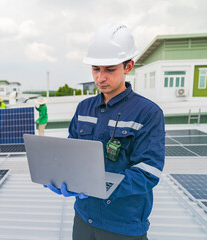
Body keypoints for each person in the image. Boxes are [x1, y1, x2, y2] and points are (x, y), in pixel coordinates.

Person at [45, 23, 165, 240]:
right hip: (83, 217)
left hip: (123, 224)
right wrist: (62, 176)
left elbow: (148, 173)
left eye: (110, 69)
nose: (100, 78)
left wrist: (98, 186)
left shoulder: (147, 113)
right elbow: (72, 155)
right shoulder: (84, 108)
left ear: (128, 66)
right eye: (95, 69)